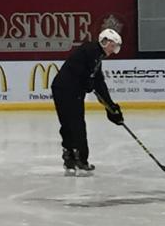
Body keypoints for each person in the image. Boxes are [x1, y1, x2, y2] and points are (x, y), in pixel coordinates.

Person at [51, 27, 124, 174]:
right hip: (66, 90)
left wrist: (111, 108)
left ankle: (71, 158)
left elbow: (98, 83)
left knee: (71, 123)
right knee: (74, 123)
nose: (113, 50)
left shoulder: (96, 56)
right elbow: (82, 74)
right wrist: (87, 82)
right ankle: (79, 159)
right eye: (113, 46)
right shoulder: (90, 51)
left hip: (65, 89)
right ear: (105, 41)